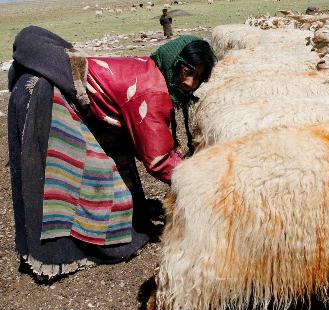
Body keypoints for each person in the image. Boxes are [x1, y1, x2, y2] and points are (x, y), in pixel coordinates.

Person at [7, 26, 216, 280]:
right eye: (187, 72)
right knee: (87, 178)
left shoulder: (151, 67)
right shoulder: (151, 91)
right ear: (175, 63)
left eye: (198, 77)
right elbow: (158, 160)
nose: (189, 83)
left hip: (45, 88)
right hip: (49, 100)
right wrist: (202, 185)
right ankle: (73, 246)